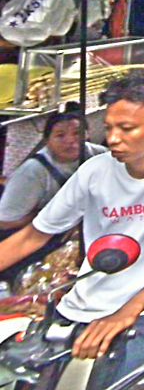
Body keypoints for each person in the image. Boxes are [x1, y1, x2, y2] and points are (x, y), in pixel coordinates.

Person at [0, 75, 144, 390]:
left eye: (127, 129)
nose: (114, 139)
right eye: (109, 128)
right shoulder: (94, 171)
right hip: (81, 306)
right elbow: (33, 236)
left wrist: (128, 311)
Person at [0, 111, 107, 281]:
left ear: (87, 134)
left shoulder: (99, 155)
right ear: (47, 140)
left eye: (77, 133)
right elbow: (5, 221)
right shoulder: (31, 173)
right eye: (60, 135)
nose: (70, 140)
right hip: (32, 242)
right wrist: (46, 215)